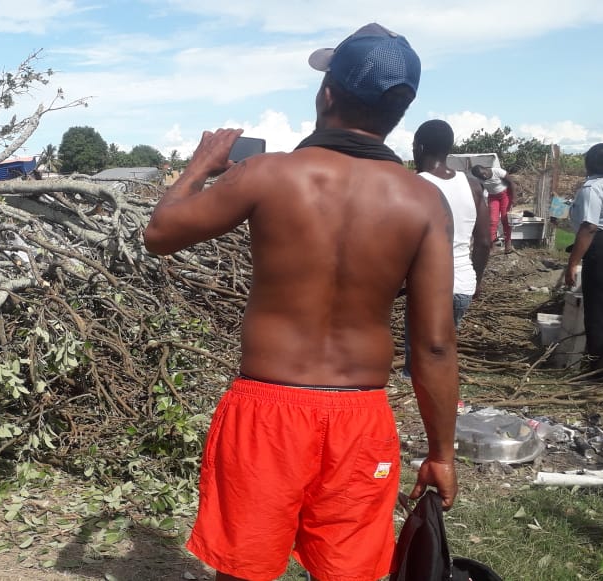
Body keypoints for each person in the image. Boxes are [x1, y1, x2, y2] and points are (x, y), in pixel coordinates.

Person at [143, 23, 459, 581]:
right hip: (361, 416)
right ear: (397, 112)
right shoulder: (422, 201)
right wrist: (441, 454)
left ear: (327, 95)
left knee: (245, 570)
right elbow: (433, 344)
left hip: (267, 411)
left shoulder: (268, 175)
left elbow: (161, 232)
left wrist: (201, 163)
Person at [403, 120, 492, 377]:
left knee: (418, 367)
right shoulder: (473, 185)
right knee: (442, 355)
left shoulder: (415, 185)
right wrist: (476, 279)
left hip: (427, 286)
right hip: (462, 285)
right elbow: (484, 241)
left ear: (418, 147)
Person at [565, 142, 603, 380]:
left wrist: (573, 263)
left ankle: (600, 371)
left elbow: (589, 227)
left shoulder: (592, 188)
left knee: (599, 310)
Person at [471, 164, 517, 253]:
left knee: (505, 219)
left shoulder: (498, 171)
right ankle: (492, 245)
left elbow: (511, 183)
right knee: (492, 221)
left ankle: (508, 244)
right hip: (493, 197)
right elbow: (481, 191)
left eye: (483, 174)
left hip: (505, 195)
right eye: (480, 176)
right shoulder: (480, 179)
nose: (483, 177)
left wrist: (514, 198)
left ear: (486, 169)